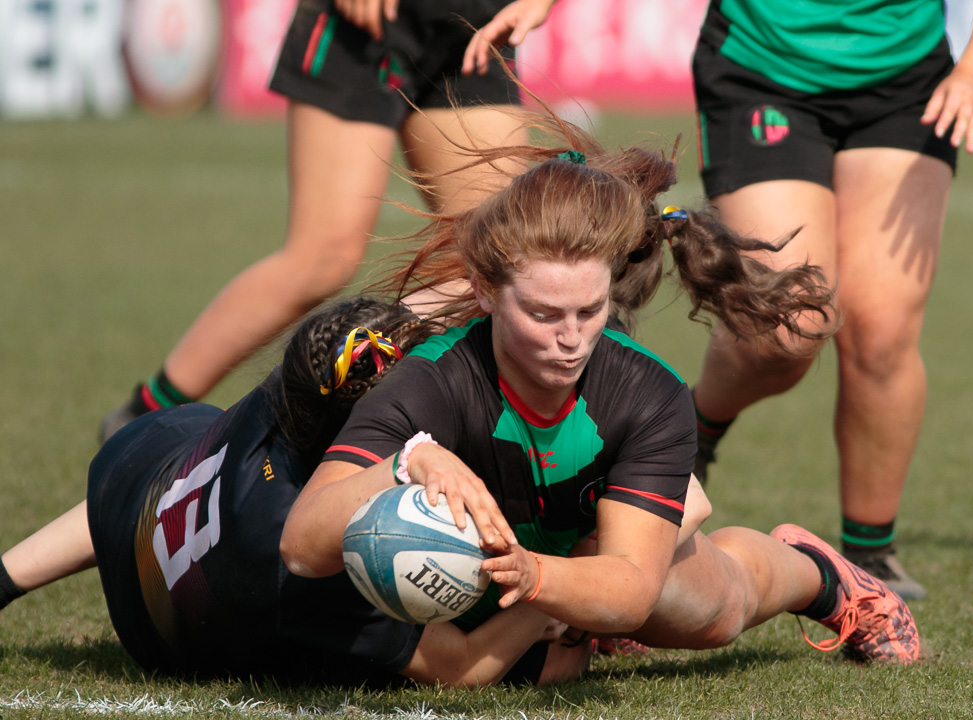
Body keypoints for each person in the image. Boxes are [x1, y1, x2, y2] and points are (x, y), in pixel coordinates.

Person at [0, 111, 919, 686]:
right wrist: (548, 592)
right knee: (580, 630)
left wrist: (3, 579)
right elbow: (453, 666)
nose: (567, 332)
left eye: (585, 308)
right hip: (274, 537)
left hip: (172, 456)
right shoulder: (305, 544)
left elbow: (117, 499)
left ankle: (817, 572)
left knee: (695, 600)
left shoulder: (283, 416)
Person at [465, 0, 973, 603]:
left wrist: (972, 75)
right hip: (763, 71)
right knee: (789, 327)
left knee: (882, 330)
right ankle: (698, 423)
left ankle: (871, 554)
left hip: (909, 84)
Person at [98, 0, 530, 443]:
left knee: (503, 260)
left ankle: (451, 435)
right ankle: (143, 416)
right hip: (363, 29)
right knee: (322, 260)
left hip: (476, 26)